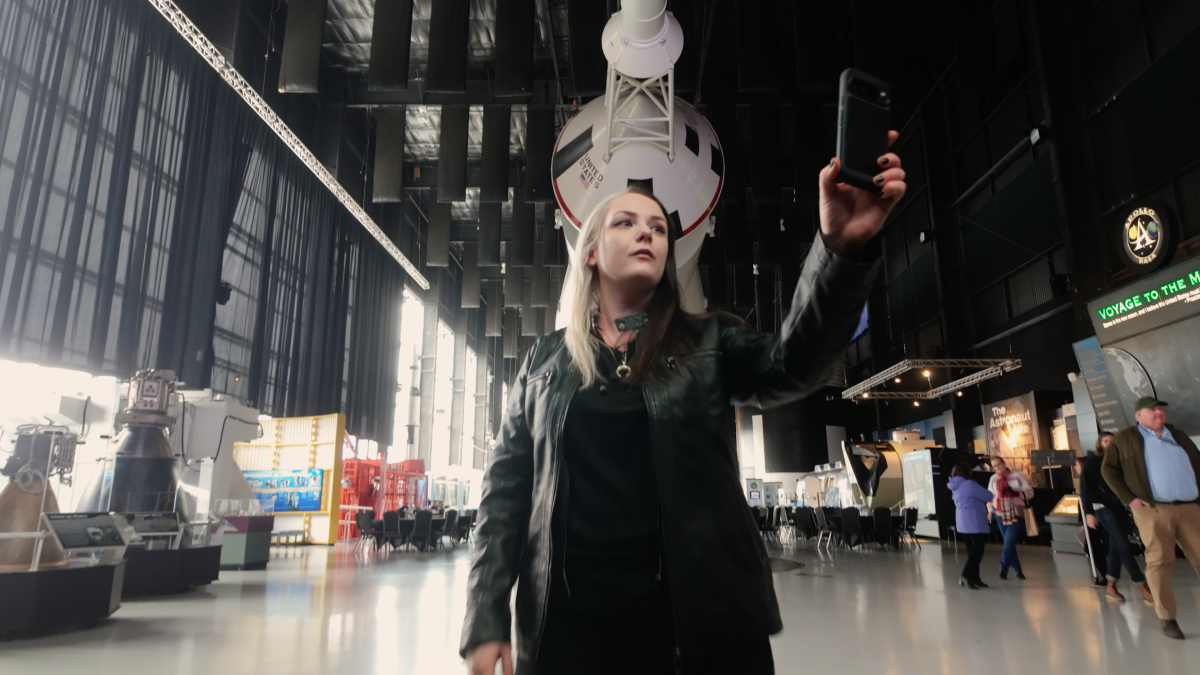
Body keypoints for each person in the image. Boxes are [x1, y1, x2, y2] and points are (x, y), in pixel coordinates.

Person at [461, 143, 907, 675]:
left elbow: (795, 365)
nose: (646, 231)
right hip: (568, 634)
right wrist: (485, 616)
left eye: (657, 227)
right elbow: (506, 489)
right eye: (625, 222)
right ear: (592, 252)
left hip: (702, 630)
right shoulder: (543, 361)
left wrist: (839, 247)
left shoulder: (710, 341)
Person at [1102, 397, 1200, 640]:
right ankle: (1167, 618)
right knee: (1160, 562)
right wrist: (1129, 498)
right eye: (1152, 409)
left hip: (1190, 507)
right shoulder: (1125, 438)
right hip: (1152, 510)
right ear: (1138, 415)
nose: (1158, 413)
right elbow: (1108, 470)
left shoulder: (1177, 435)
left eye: (1160, 409)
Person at [1081, 432, 1153, 604]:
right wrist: (1089, 513)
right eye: (1106, 441)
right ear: (1100, 443)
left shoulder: (1120, 462)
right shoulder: (1092, 463)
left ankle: (1111, 586)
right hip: (1103, 508)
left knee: (1115, 545)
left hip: (1119, 508)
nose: (1109, 444)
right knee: (1123, 545)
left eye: (1112, 442)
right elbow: (1085, 488)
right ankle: (1142, 585)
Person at [987, 457, 1034, 580]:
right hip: (999, 513)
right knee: (1009, 543)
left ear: (1004, 463)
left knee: (1009, 541)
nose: (997, 467)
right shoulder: (992, 479)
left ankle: (1003, 568)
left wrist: (1016, 493)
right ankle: (1017, 570)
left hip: (1016, 512)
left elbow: (1030, 492)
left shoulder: (1016, 476)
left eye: (999, 464)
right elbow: (990, 497)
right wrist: (990, 512)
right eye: (995, 466)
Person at [948, 462, 993, 589]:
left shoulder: (955, 485)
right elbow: (988, 496)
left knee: (971, 550)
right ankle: (965, 575)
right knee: (978, 550)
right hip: (974, 520)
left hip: (962, 520)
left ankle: (975, 577)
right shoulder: (969, 484)